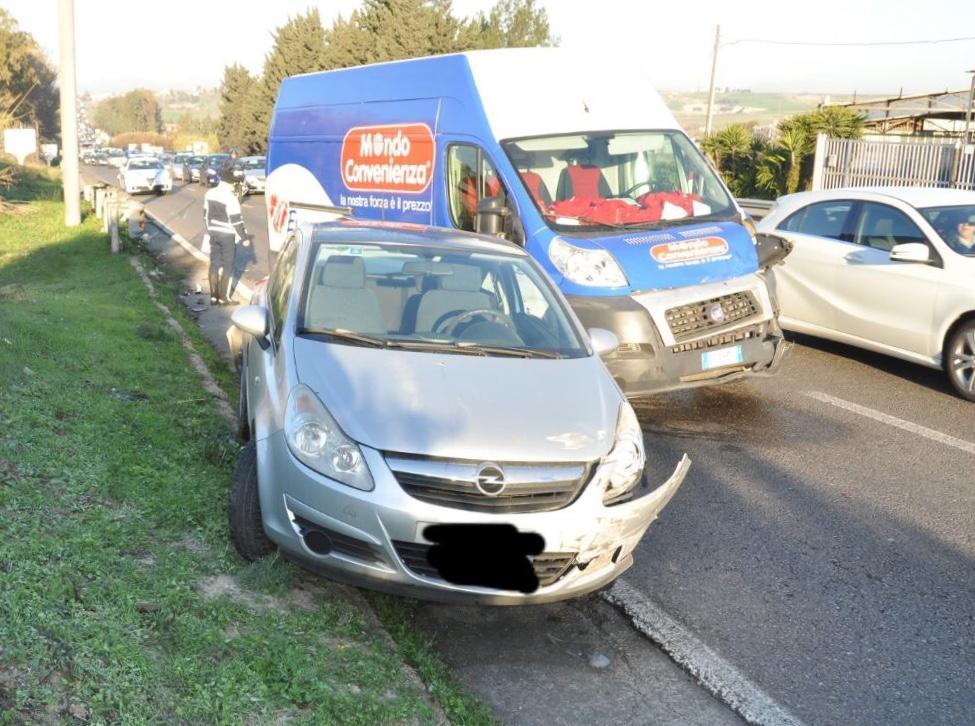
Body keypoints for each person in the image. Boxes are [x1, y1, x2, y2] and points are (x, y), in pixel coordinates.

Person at [203, 164, 251, 305]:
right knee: (228, 265)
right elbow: (236, 220)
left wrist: (210, 229)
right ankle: (224, 298)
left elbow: (205, 216)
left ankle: (213, 297)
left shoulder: (209, 193)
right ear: (231, 183)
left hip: (213, 233)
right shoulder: (230, 197)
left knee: (214, 263)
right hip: (227, 235)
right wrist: (244, 238)